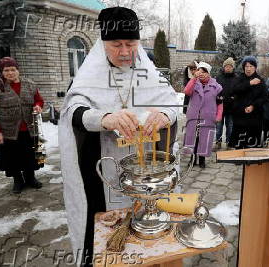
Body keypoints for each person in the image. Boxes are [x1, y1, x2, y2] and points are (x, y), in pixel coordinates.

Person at [58, 7, 178, 266]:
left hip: (145, 170)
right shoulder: (89, 75)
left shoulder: (149, 73)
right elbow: (74, 112)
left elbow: (173, 105)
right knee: (106, 236)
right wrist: (105, 118)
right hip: (102, 171)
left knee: (147, 231)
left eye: (131, 43)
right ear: (103, 45)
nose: (125, 52)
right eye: (116, 44)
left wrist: (166, 116)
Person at [0, 57, 44, 194]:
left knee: (31, 155)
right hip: (8, 131)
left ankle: (31, 178)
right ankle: (18, 180)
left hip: (30, 128)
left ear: (18, 70)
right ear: (2, 72)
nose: (10, 73)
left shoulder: (30, 84)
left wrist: (37, 106)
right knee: (13, 158)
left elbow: (39, 100)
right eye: (6, 70)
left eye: (13, 69)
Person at [183, 62, 223, 168]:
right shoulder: (194, 83)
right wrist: (193, 79)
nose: (201, 74)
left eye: (204, 72)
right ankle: (192, 159)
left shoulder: (216, 87)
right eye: (199, 71)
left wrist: (218, 116)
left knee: (204, 139)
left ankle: (202, 159)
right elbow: (187, 91)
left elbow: (220, 103)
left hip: (208, 117)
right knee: (193, 138)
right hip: (194, 117)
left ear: (208, 73)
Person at [229, 56, 267, 149]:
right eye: (246, 66)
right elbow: (234, 89)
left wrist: (253, 106)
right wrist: (249, 83)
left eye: (251, 66)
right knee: (239, 138)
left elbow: (263, 97)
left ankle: (251, 160)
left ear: (255, 67)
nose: (248, 69)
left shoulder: (260, 80)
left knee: (252, 140)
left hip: (255, 116)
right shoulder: (239, 78)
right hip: (240, 115)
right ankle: (238, 157)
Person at [215, 57, 237, 149]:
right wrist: (218, 96)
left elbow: (238, 91)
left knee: (230, 126)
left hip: (231, 107)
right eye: (226, 66)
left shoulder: (236, 78)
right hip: (220, 106)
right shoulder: (219, 77)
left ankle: (229, 142)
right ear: (224, 67)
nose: (228, 68)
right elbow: (215, 89)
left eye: (230, 66)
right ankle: (218, 142)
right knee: (219, 126)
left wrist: (234, 97)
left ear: (233, 68)